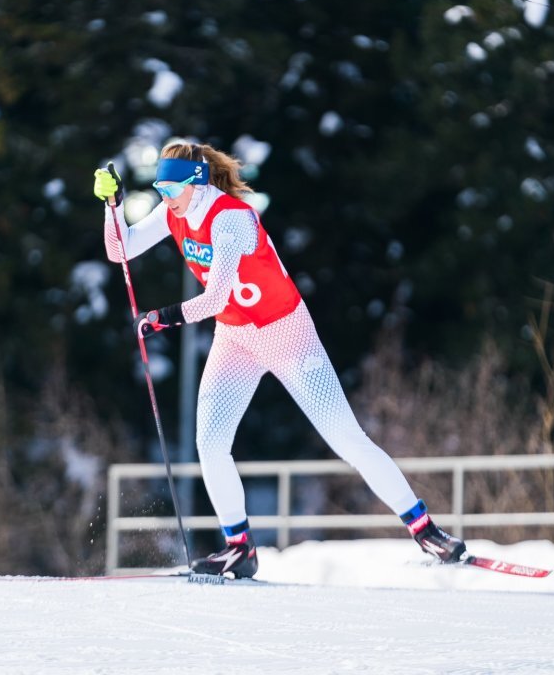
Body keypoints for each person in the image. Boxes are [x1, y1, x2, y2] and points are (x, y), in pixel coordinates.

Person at [94, 140, 465, 578]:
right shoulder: (174, 211)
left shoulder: (231, 219)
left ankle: (426, 530)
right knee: (210, 445)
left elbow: (215, 298)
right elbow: (122, 249)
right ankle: (239, 548)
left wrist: (163, 318)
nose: (166, 197)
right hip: (235, 337)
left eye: (172, 189)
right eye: (160, 188)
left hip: (285, 331)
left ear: (195, 182)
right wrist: (113, 206)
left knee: (346, 438)